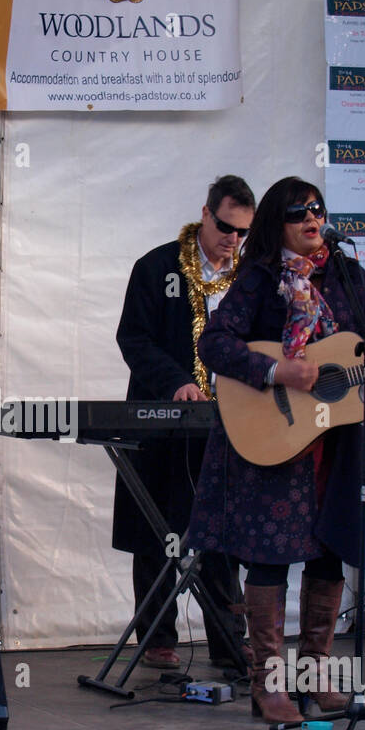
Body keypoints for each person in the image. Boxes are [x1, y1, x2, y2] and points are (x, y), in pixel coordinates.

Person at [184, 177, 365, 722]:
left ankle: (316, 673)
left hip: (333, 444)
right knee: (269, 560)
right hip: (275, 440)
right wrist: (278, 370)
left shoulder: (351, 277)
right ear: (278, 224)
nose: (311, 219)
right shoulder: (258, 280)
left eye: (316, 209)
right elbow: (214, 343)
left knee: (328, 552)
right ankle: (267, 683)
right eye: (298, 213)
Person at [113, 175, 256, 670]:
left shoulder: (250, 277)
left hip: (232, 422)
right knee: (158, 530)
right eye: (224, 226)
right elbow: (134, 339)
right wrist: (176, 381)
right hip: (164, 417)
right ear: (204, 213)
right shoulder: (157, 268)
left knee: (222, 533)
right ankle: (156, 637)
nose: (232, 239)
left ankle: (228, 639)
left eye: (242, 231)